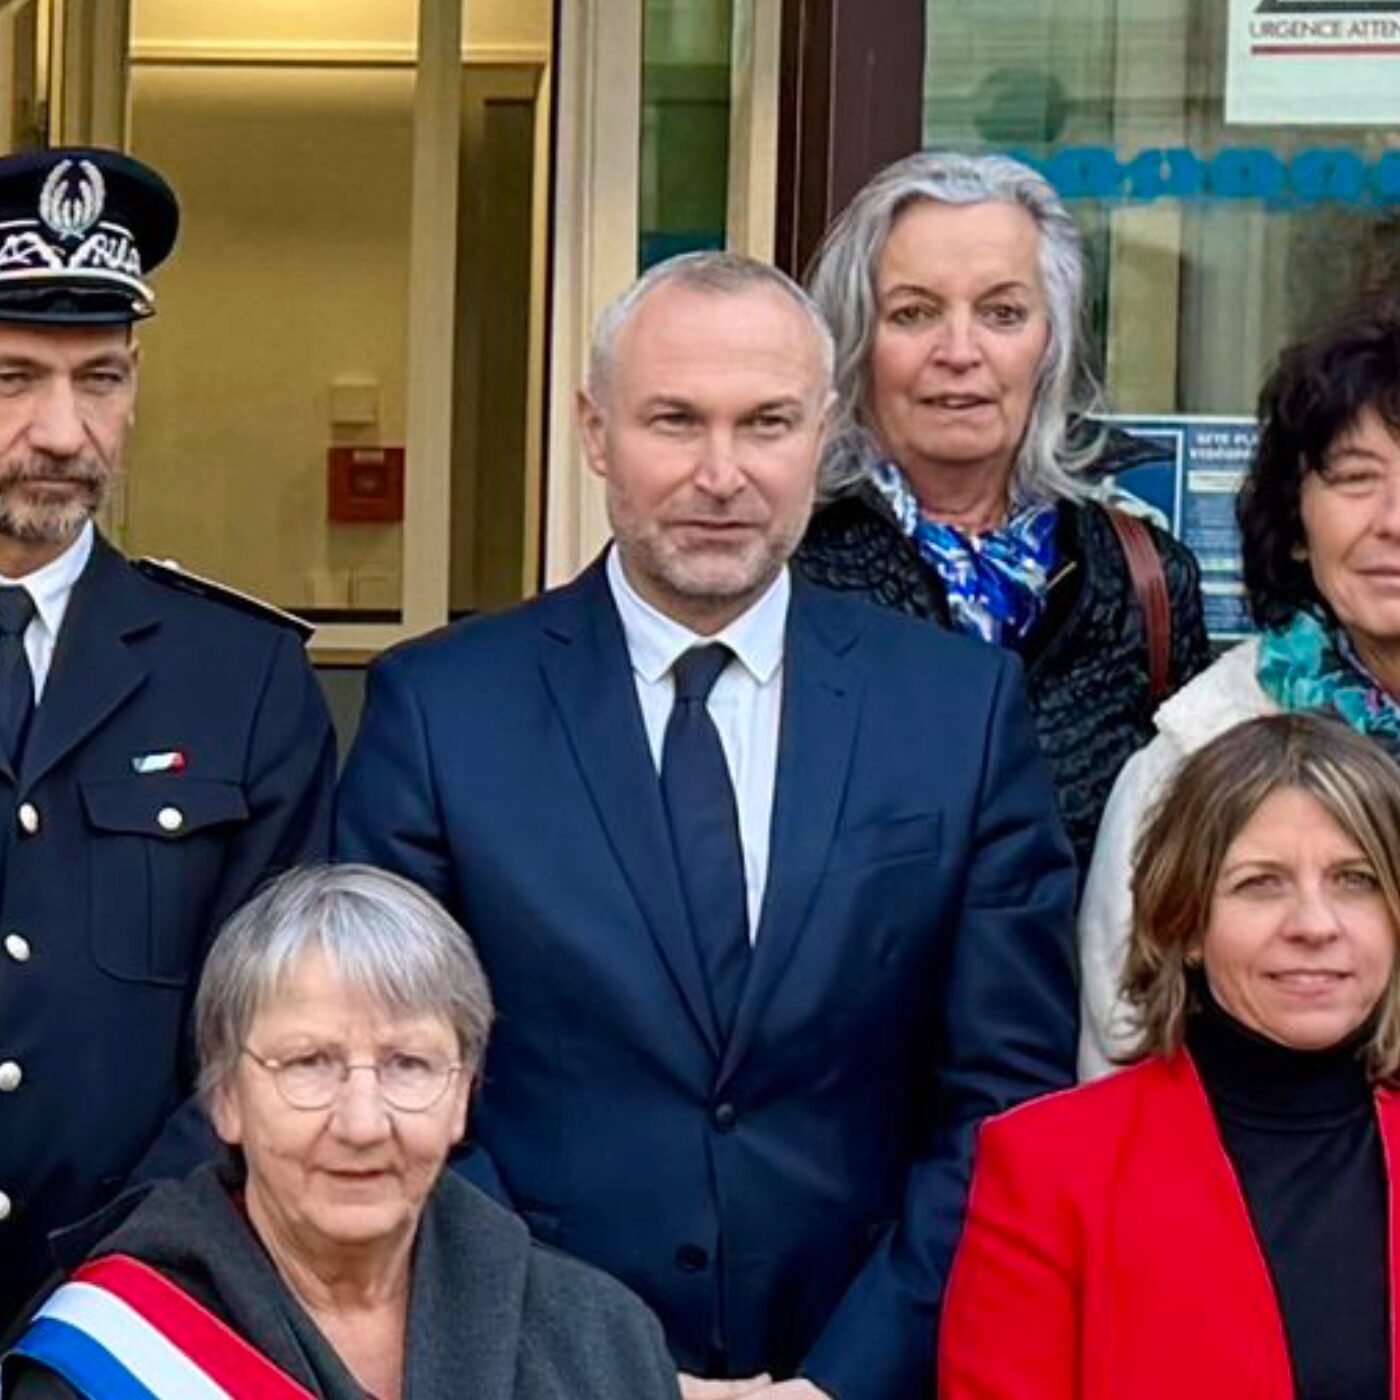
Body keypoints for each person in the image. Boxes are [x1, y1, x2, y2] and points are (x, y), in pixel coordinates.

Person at [337, 251, 1078, 1400]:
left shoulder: (955, 711)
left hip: (866, 1363)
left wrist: (846, 1375)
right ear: (594, 431)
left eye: (766, 422)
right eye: (674, 420)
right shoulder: (439, 711)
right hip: (532, 1367)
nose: (720, 473)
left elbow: (1005, 1094)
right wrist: (593, 1360)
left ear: (823, 432)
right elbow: (384, 1075)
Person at [0, 146, 334, 1328]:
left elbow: (271, 1026)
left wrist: (128, 1276)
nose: (61, 429)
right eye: (11, 377)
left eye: (100, 378)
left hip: (142, 1307)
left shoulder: (239, 680)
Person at [1, 864, 681, 1399]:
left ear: (464, 1097)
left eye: (408, 1064)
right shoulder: (103, 1363)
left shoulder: (602, 1338)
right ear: (226, 1097)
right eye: (308, 1063)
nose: (362, 1122)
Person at [940, 712, 1400, 1399]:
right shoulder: (1048, 1168)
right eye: (1261, 883)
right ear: (1183, 921)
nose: (1314, 924)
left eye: (1355, 879)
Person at [795, 151, 1209, 871]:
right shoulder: (789, 568)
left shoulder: (1145, 581)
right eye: (914, 313)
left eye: (1003, 313)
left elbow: (1184, 867)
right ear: (857, 342)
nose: (960, 351)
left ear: (1051, 343)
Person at [1080, 311, 1400, 1076]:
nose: (1393, 522)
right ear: (1295, 522)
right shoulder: (1193, 757)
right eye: (1355, 479)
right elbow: (1125, 1060)